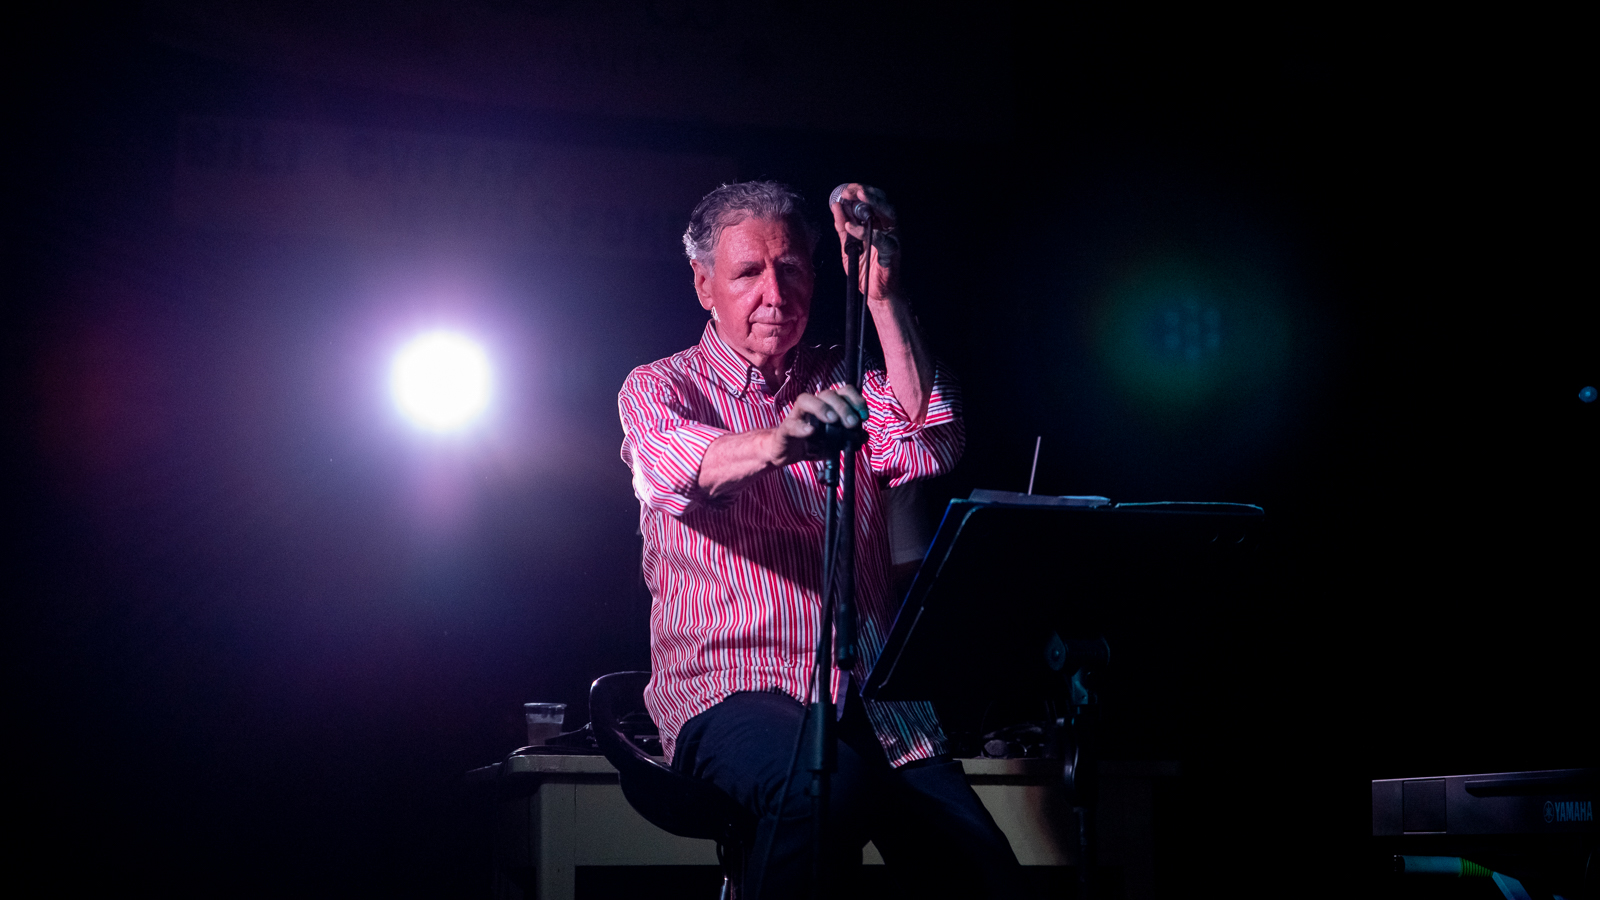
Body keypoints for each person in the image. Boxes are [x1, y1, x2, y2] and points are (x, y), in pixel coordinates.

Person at [618, 181, 1019, 899]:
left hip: (873, 703)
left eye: (792, 268)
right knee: (823, 792)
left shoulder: (843, 374)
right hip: (732, 689)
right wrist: (781, 440)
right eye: (748, 273)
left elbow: (930, 440)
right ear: (704, 285)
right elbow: (680, 469)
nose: (775, 293)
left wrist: (882, 296)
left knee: (985, 878)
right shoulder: (660, 385)